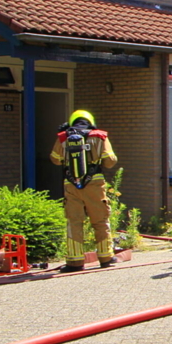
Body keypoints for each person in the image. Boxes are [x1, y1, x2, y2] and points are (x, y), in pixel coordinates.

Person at [49, 110, 118, 272]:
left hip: (71, 184)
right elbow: (110, 161)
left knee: (74, 222)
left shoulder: (63, 137)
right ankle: (106, 257)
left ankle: (75, 262)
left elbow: (55, 160)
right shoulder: (100, 136)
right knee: (100, 221)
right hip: (95, 184)